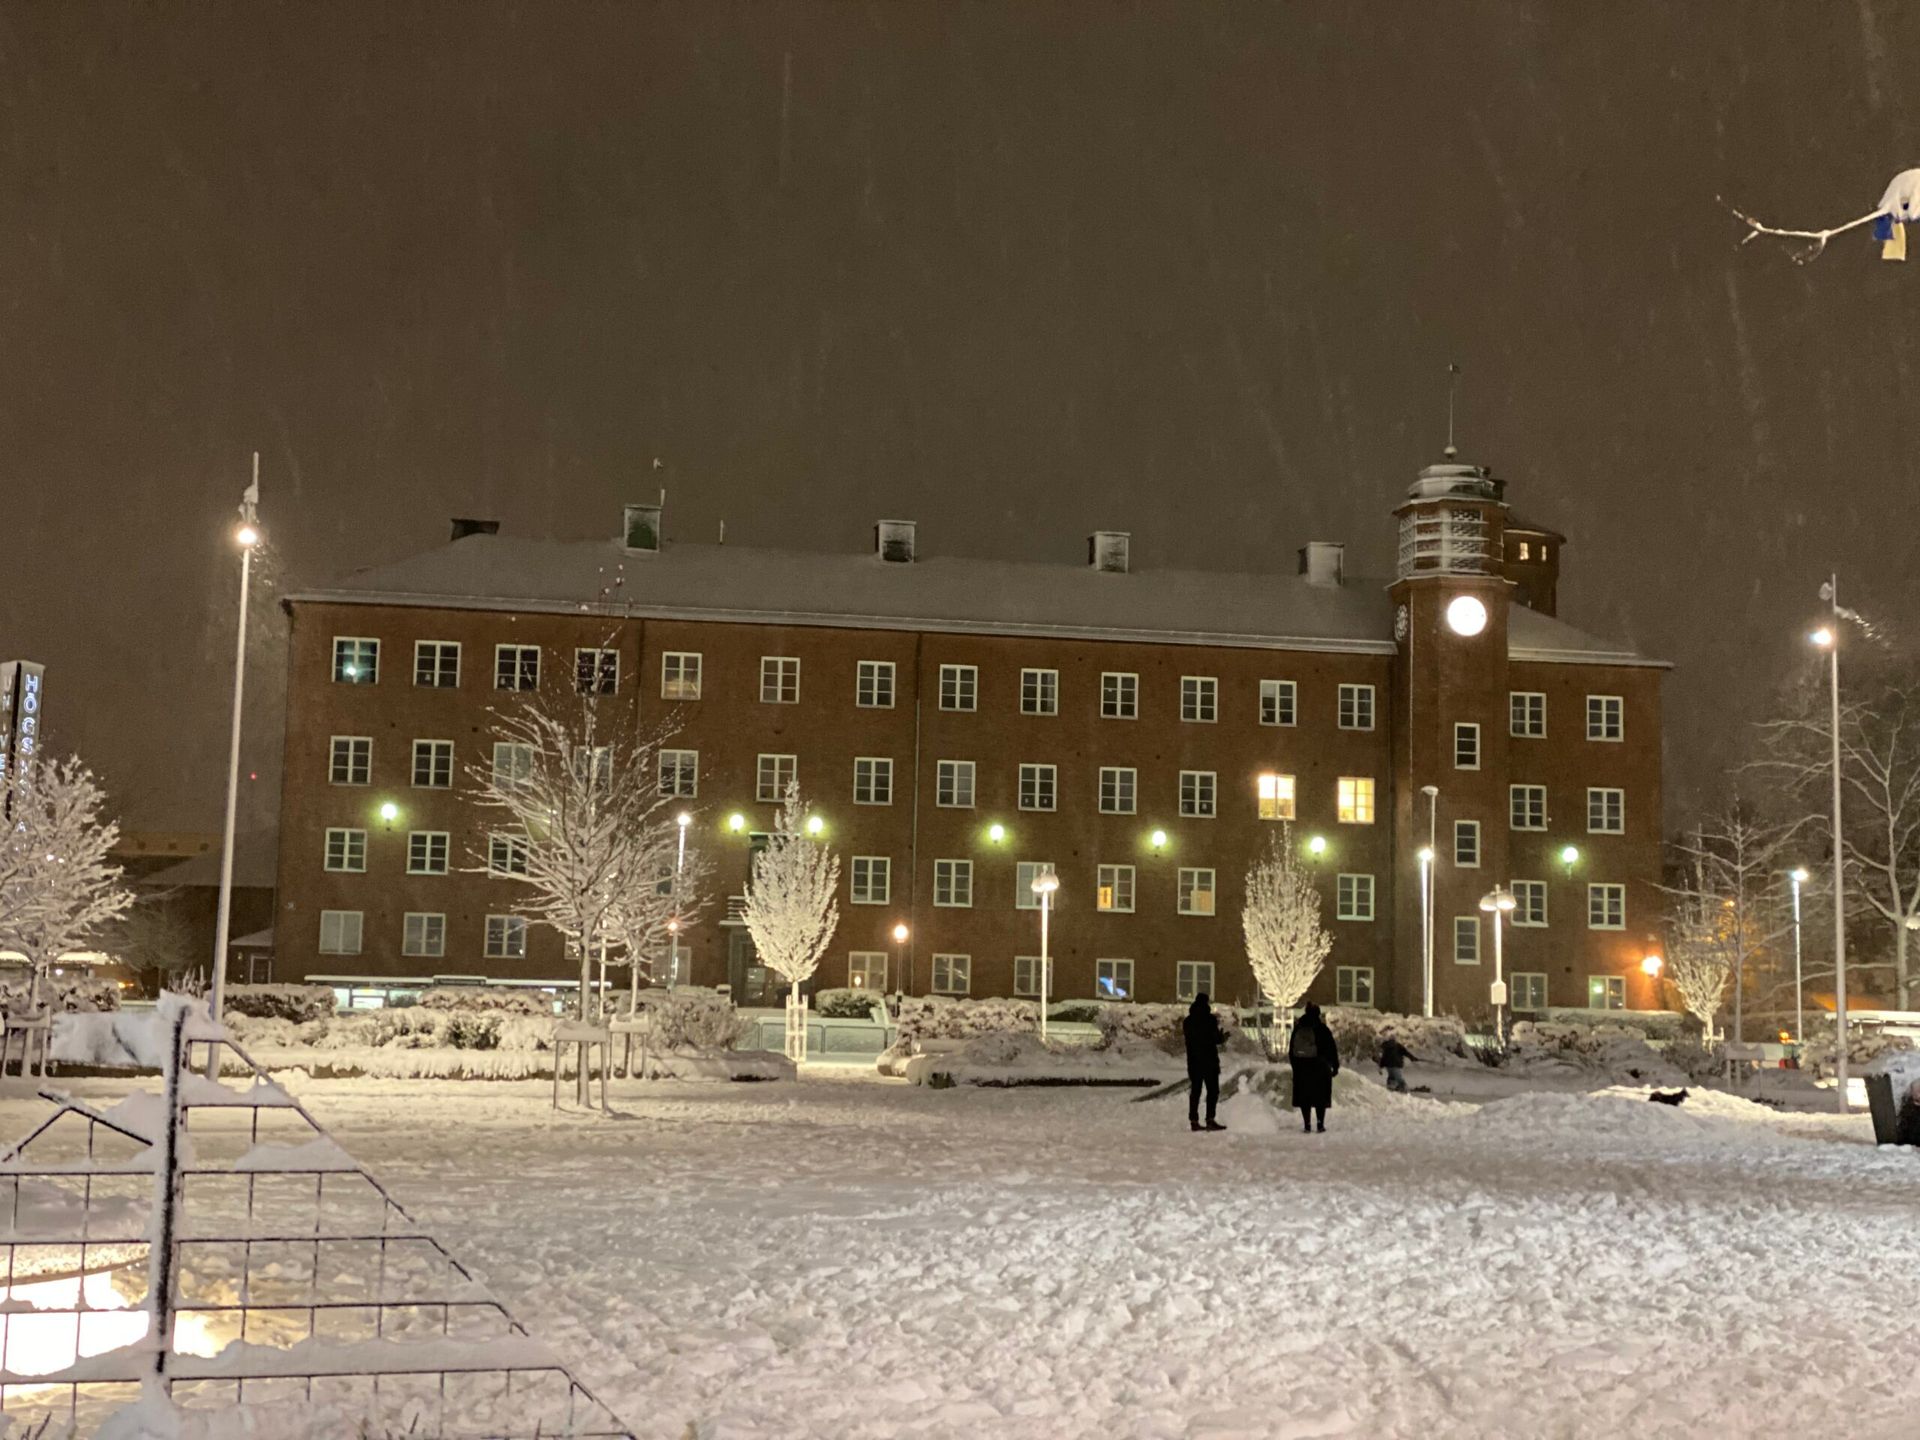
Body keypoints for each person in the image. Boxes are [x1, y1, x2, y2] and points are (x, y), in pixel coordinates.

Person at [1287, 1002, 1339, 1133]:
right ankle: (1320, 1124)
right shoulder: (1323, 1029)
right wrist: (1334, 1065)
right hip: (1320, 1067)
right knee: (1320, 1098)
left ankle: (1307, 1124)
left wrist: (1295, 1066)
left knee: (1305, 1098)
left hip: (1302, 1068)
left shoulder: (1298, 1028)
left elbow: (1291, 1050)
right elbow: (1331, 1049)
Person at [1182, 992, 1228, 1132]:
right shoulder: (1210, 1020)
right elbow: (1215, 1039)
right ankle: (1210, 1119)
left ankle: (1193, 1120)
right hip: (1209, 1061)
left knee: (1195, 1091)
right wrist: (1223, 1037)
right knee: (1212, 1091)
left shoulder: (1188, 1021)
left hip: (1194, 1061)